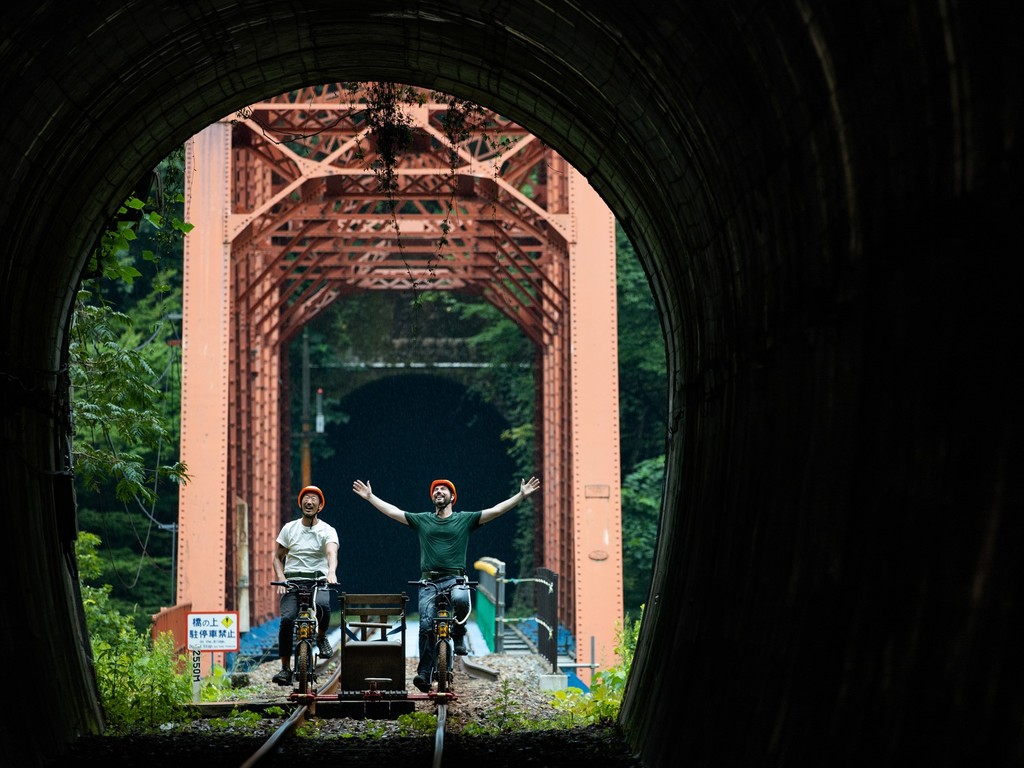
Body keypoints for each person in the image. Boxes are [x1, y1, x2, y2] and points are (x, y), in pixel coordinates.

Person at [352, 474, 541, 692]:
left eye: (443, 489)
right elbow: (394, 512)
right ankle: (424, 672)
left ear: (453, 497)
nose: (438, 492)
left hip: (455, 578)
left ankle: (459, 633)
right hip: (428, 582)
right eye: (435, 490)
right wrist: (371, 497)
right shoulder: (423, 519)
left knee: (461, 598)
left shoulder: (464, 519)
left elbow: (496, 511)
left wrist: (520, 496)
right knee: (425, 626)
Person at [271, 484, 340, 685]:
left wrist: (331, 572)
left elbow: (331, 552)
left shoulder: (327, 530)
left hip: (318, 579)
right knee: (287, 620)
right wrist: (281, 577)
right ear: (300, 503)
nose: (309, 501)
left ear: (320, 506)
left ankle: (320, 636)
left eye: (314, 499)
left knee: (323, 606)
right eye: (306, 498)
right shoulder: (289, 528)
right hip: (292, 581)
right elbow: (277, 558)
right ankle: (285, 668)